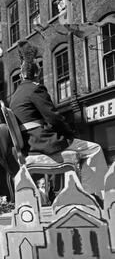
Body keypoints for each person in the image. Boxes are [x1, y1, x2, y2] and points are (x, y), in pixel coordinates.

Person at [10, 41, 108, 201]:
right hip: (44, 143)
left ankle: (83, 194)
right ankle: (94, 197)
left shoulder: (16, 95)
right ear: (37, 71)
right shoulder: (36, 88)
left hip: (31, 144)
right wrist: (70, 133)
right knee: (95, 149)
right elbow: (54, 118)